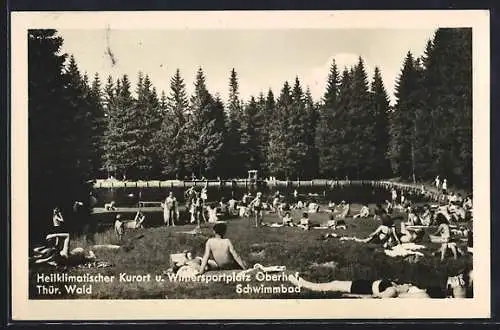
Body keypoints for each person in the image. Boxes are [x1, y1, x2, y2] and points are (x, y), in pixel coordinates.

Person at [289, 275, 423, 298]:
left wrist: (353, 296)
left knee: (332, 285)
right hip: (357, 284)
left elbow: (377, 297)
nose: (408, 284)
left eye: (409, 286)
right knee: (333, 283)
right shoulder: (394, 285)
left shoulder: (392, 291)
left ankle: (303, 284)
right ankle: (304, 283)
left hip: (357, 288)